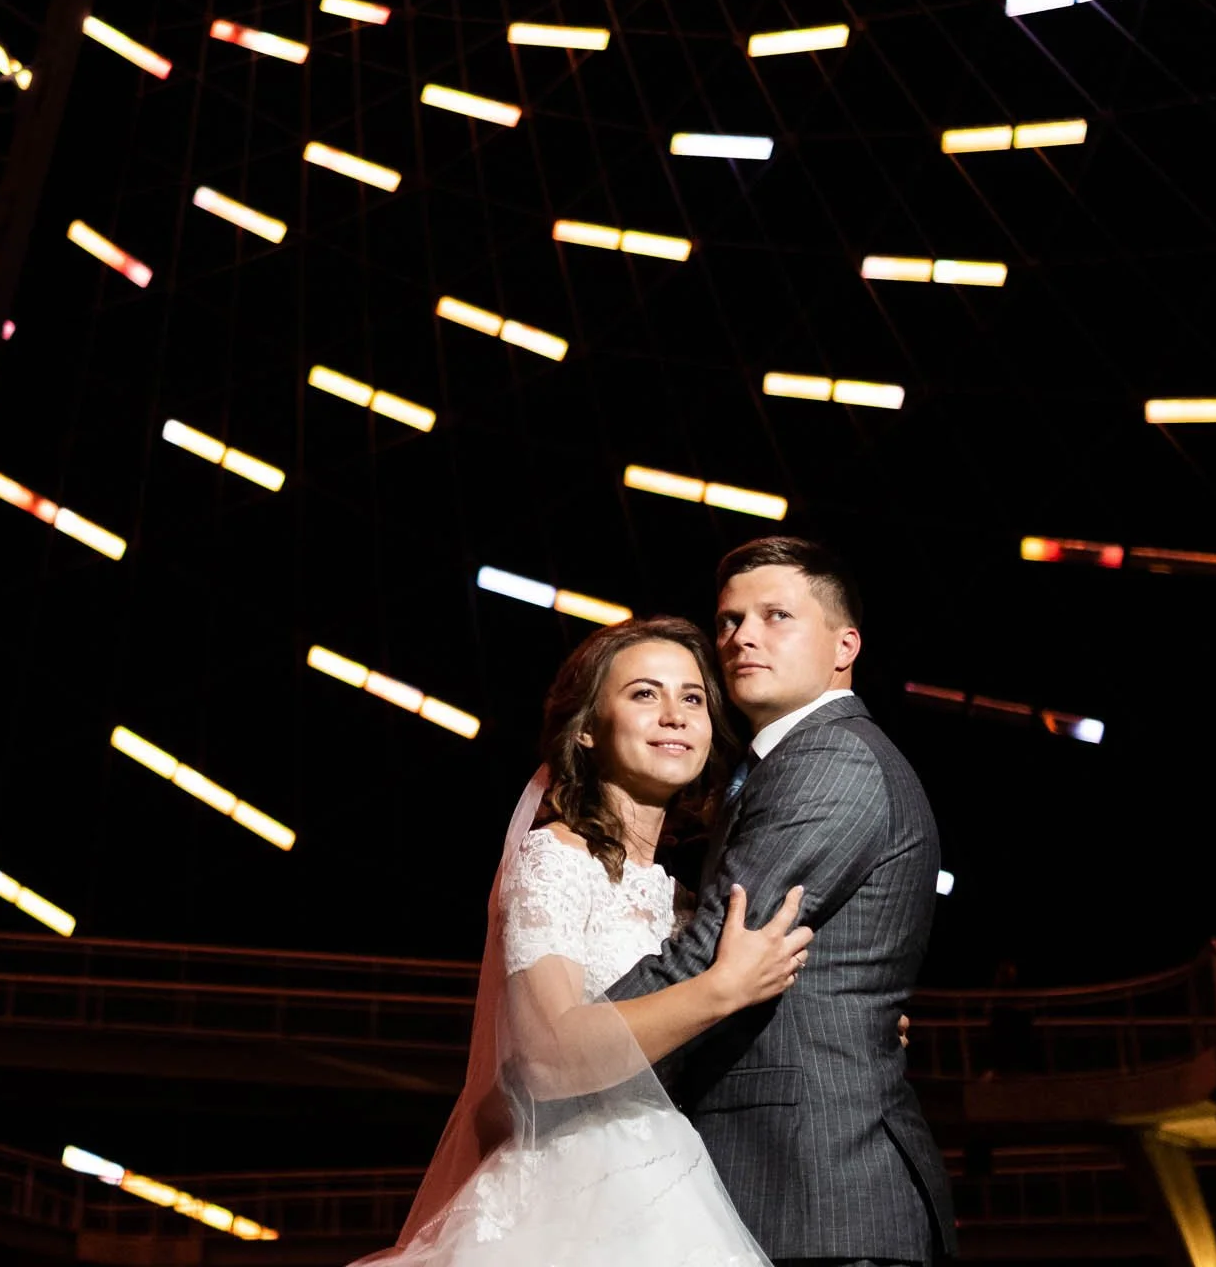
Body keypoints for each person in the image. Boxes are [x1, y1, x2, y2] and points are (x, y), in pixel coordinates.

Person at [364, 616, 814, 1267]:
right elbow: (547, 1056)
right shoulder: (554, 861)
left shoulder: (683, 900)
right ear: (586, 729)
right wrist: (720, 989)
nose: (674, 715)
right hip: (577, 1193)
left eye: (692, 697)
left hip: (679, 1182)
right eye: (643, 694)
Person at [606, 537, 958, 1267]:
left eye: (776, 616)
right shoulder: (778, 765)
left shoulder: (831, 761)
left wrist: (564, 1050)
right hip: (786, 1185)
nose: (743, 637)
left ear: (844, 645)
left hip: (820, 1194)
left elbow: (713, 951)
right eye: (730, 620)